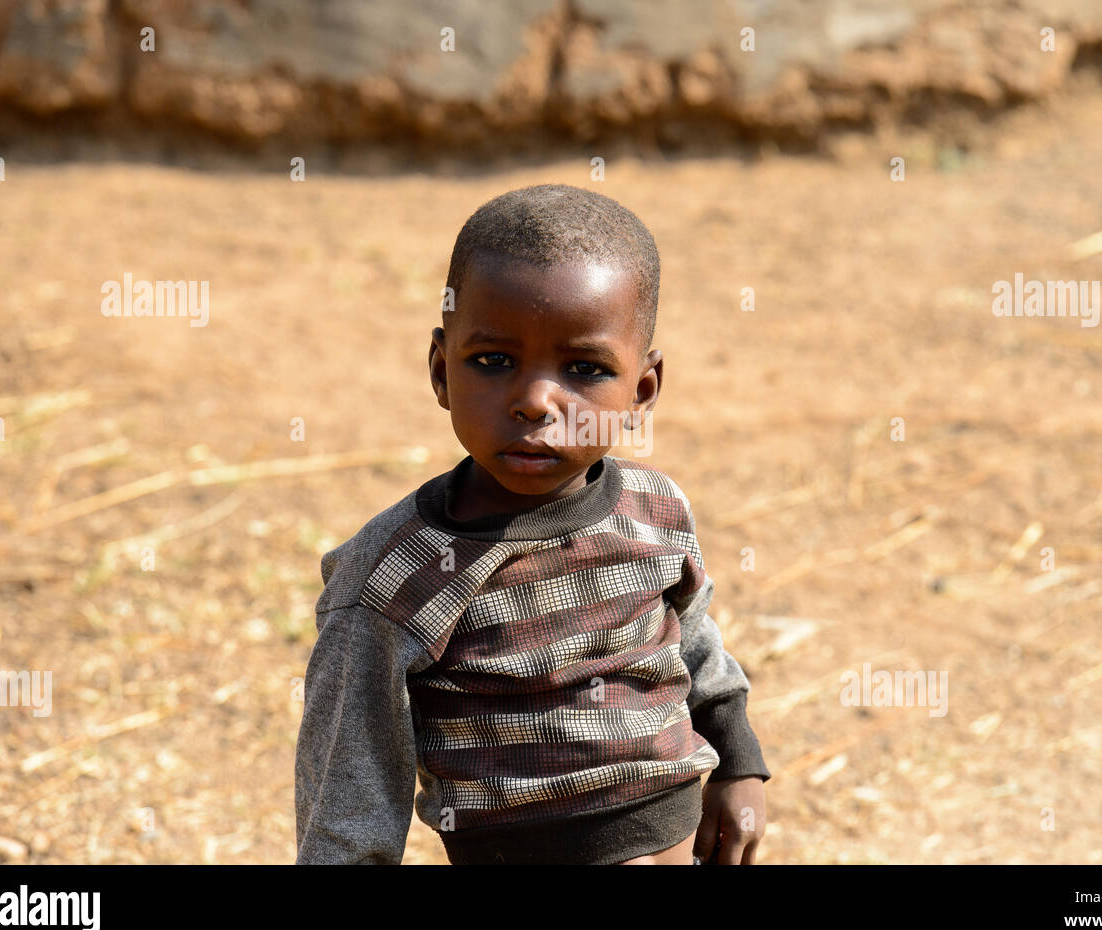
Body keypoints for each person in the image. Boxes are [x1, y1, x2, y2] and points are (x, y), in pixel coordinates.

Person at [294, 183, 770, 865]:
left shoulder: (655, 509)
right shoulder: (396, 576)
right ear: (440, 371)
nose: (535, 400)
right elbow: (348, 787)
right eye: (493, 361)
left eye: (584, 368)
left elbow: (691, 640)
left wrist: (736, 762)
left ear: (642, 391)